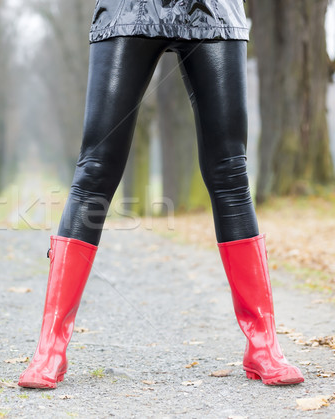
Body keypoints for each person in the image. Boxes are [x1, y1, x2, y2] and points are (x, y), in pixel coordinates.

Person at [18, 0, 305, 388]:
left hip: (214, 11)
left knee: (231, 171)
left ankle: (263, 345)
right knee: (96, 169)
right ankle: (49, 350)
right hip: (128, 10)